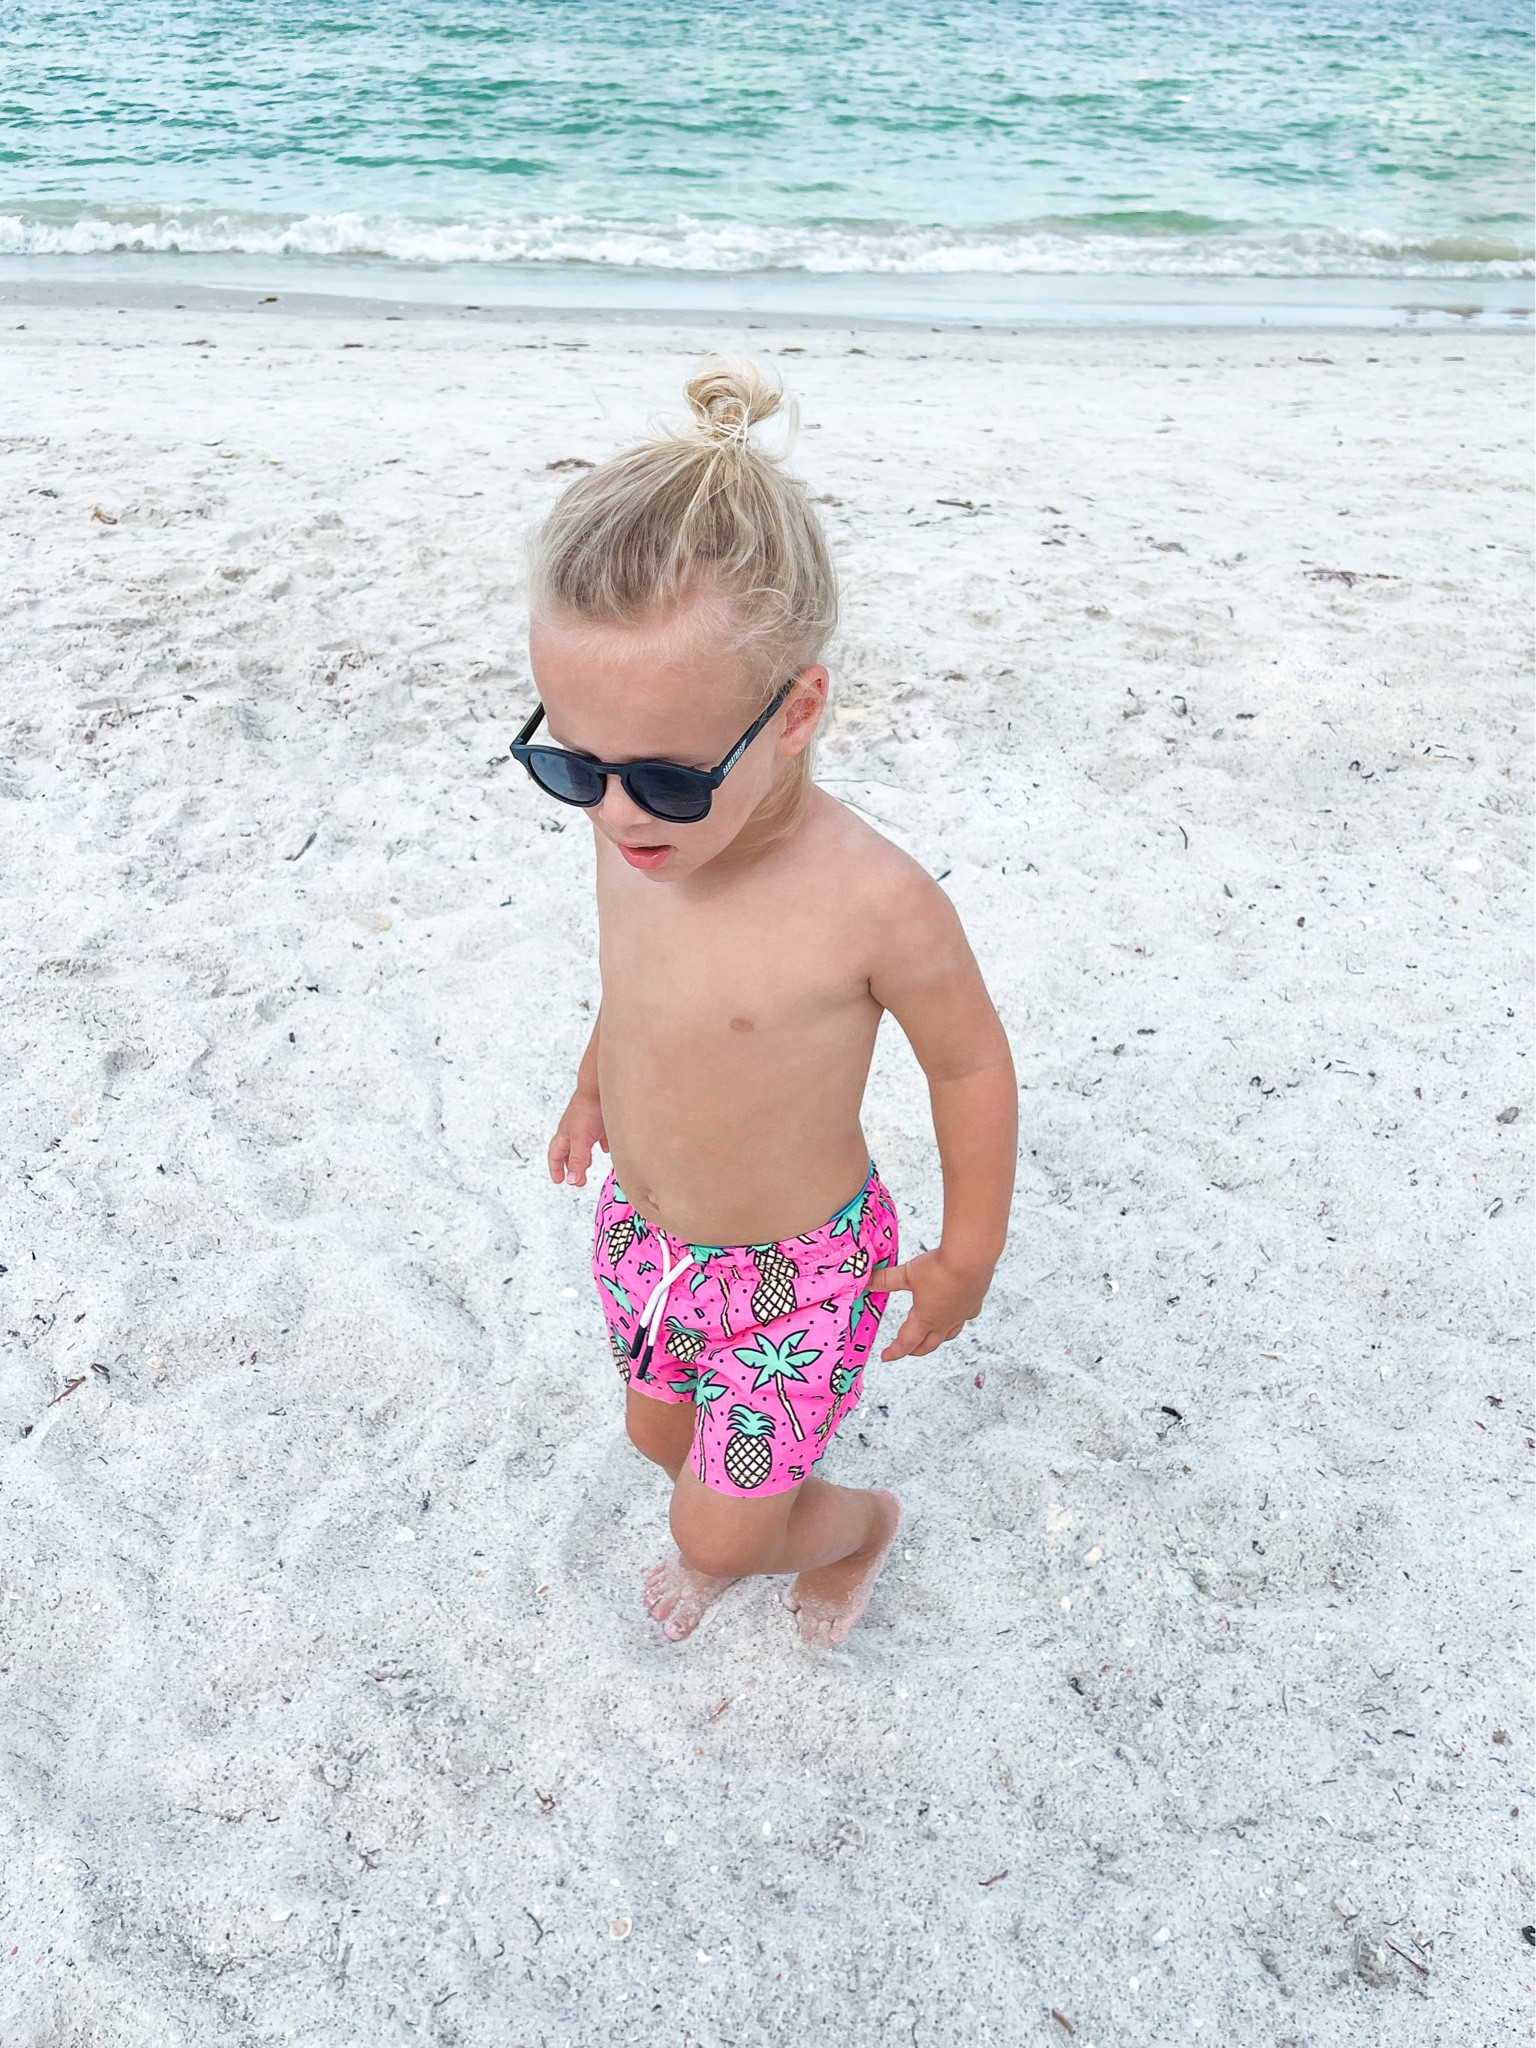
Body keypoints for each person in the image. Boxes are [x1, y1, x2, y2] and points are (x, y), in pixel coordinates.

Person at [519, 357, 1017, 1647]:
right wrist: (590, 1085)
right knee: (656, 1437)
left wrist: (968, 1252)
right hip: (647, 1239)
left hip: (796, 1274)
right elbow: (635, 987)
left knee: (719, 1529)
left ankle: (856, 1530)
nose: (618, 812)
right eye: (572, 762)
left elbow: (969, 1068)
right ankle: (750, 1513)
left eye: (669, 780)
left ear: (795, 712)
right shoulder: (628, 832)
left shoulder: (872, 901)